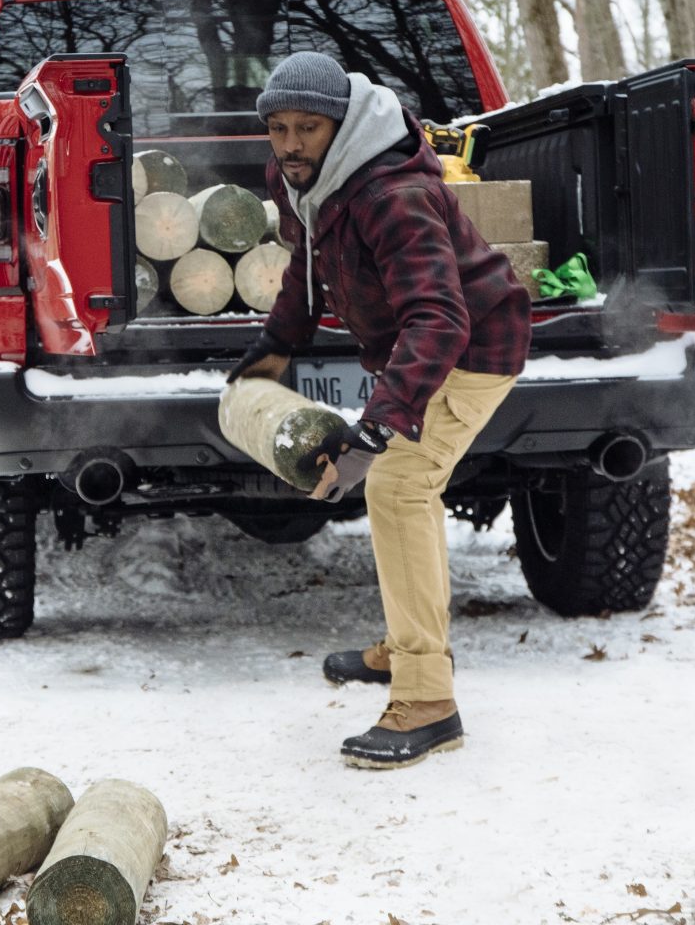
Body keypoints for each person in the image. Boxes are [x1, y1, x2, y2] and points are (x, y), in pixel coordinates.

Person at [226, 50, 531, 768]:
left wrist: (380, 426)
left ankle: (428, 699)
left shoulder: (392, 194)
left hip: (475, 347)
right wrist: (277, 345)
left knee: (397, 485)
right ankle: (402, 646)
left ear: (341, 125)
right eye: (279, 128)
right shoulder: (301, 179)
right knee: (399, 486)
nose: (292, 143)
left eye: (309, 127)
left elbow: (440, 317)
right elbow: (308, 266)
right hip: (419, 347)